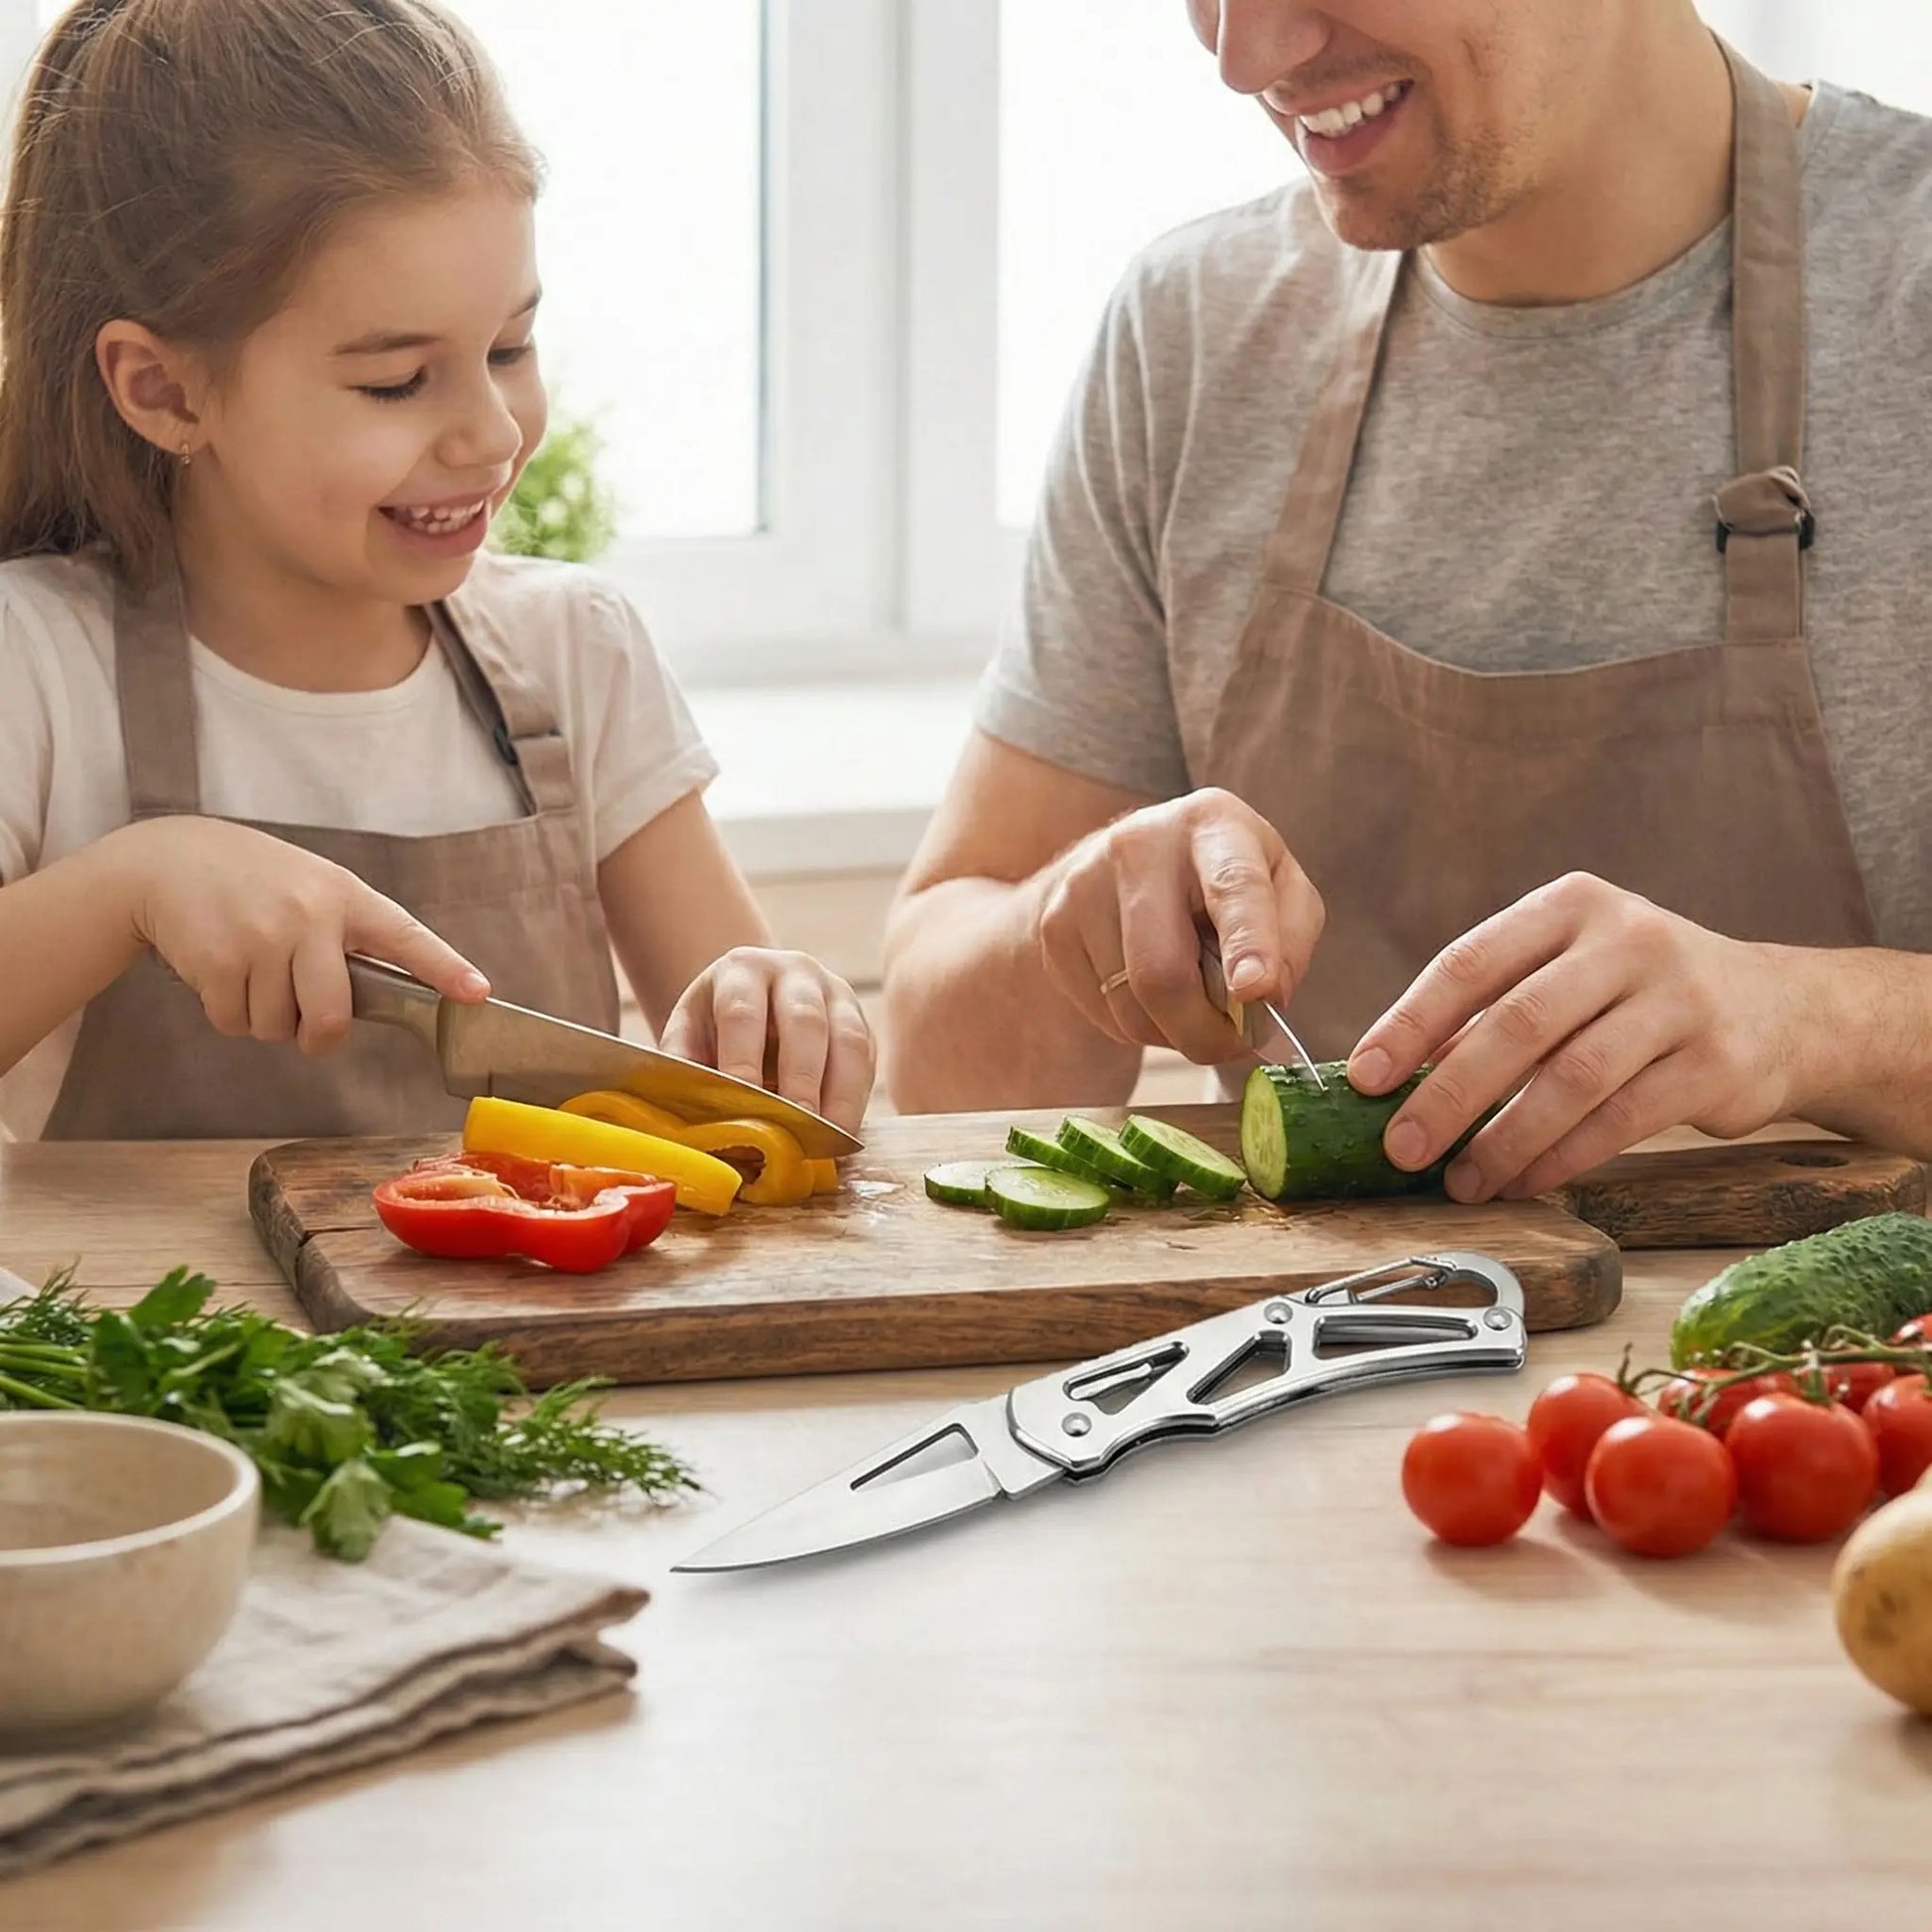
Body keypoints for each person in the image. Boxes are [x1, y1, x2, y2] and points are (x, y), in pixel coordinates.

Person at [885, 0, 1932, 1199]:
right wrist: (1060, 925)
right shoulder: (1194, 327)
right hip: (1297, 1372)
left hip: (1817, 1381)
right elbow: (936, 1061)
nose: (1243, 57)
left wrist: (1815, 1019)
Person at [0, 0, 873, 1143]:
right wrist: (131, 886)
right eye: (397, 382)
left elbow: (747, 1091)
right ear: (166, 391)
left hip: (536, 1329)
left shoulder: (578, 653)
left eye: (509, 349)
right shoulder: (35, 663)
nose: (492, 434)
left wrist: (775, 1006)